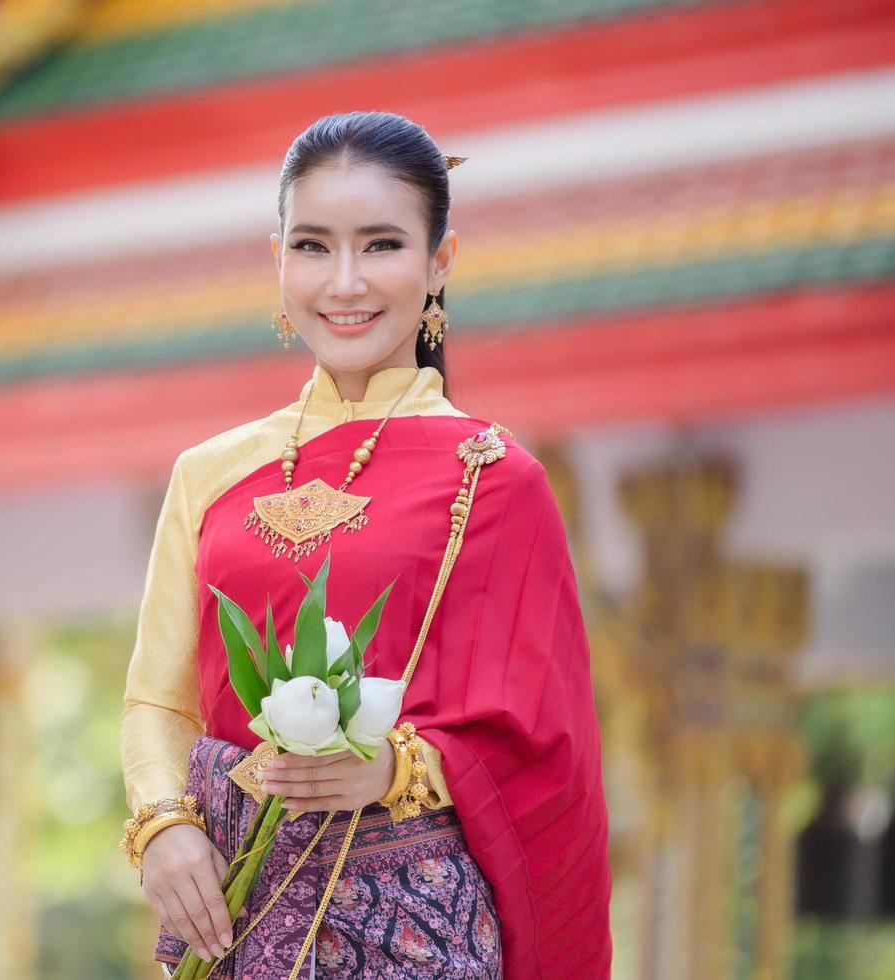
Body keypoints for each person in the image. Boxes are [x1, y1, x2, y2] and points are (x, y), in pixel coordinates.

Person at [118, 111, 612, 978]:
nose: (343, 282)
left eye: (380, 245)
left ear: (440, 263)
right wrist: (161, 826)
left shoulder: (492, 478)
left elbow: (544, 742)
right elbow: (159, 701)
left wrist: (396, 767)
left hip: (412, 924)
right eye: (312, 247)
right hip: (232, 914)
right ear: (277, 258)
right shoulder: (209, 474)